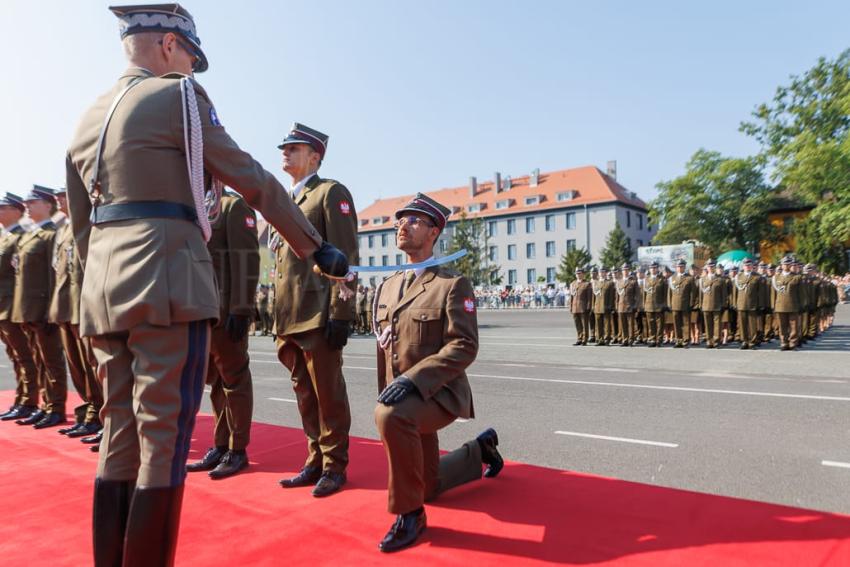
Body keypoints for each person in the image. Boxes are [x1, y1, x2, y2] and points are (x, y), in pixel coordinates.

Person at [65, 6, 347, 565]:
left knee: (119, 430)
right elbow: (249, 176)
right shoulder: (179, 97)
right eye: (192, 56)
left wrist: (103, 280)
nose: (193, 67)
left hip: (103, 289)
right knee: (163, 438)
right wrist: (314, 246)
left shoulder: (86, 116)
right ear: (171, 44)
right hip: (166, 280)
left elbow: (80, 227)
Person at [372, 193, 503, 553]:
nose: (402, 225)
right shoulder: (387, 285)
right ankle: (481, 450)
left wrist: (411, 381)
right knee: (428, 485)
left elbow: (464, 346)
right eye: (400, 220)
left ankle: (410, 515)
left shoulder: (451, 284)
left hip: (437, 393)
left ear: (433, 233)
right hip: (403, 395)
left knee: (391, 417)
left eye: (413, 220)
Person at [273, 123, 359, 497]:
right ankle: (315, 459)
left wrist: (341, 314)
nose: (285, 152)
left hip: (318, 312)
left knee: (328, 394)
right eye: (285, 147)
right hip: (290, 315)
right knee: (305, 394)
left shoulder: (328, 193)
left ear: (315, 156)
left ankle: (335, 465)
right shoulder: (282, 202)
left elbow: (345, 258)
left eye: (294, 147)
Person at [186, 191, 259, 479]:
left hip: (226, 309)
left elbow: (247, 258)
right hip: (201, 310)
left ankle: (237, 449)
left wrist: (242, 308)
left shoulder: (233, 206)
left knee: (234, 380)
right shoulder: (197, 205)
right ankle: (221, 444)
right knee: (216, 382)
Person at [49, 189, 103, 438]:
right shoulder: (62, 229)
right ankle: (89, 410)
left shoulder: (93, 223)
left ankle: (99, 415)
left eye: (64, 195)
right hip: (66, 306)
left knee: (93, 364)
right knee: (76, 366)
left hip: (86, 305)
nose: (59, 199)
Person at [13, 186, 68, 429]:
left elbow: (51, 275)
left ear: (48, 205)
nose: (28, 205)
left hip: (43, 309)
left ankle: (55, 407)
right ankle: (47, 405)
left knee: (52, 361)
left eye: (33, 201)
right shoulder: (31, 234)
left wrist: (49, 310)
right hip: (28, 309)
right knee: (38, 360)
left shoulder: (51, 234)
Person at [0, 193, 40, 422]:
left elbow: (20, 275)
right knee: (15, 356)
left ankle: (30, 401)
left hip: (13, 304)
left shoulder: (19, 237)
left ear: (17, 211)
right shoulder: (5, 237)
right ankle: (22, 398)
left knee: (25, 356)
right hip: (3, 305)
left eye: (4, 208)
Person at [772, 256, 802, 350]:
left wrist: (801, 304)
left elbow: (800, 292)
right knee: (782, 325)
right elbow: (773, 293)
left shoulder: (796, 277)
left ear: (790, 265)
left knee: (794, 326)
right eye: (784, 264)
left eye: (788, 264)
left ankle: (792, 343)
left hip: (793, 304)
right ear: (781, 265)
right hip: (780, 305)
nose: (786, 265)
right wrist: (773, 305)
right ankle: (784, 343)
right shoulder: (776, 277)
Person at [734, 258, 763, 349]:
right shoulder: (738, 276)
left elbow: (760, 292)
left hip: (752, 304)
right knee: (742, 324)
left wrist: (760, 304)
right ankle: (744, 341)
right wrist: (735, 303)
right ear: (743, 266)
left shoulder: (757, 277)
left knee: (752, 325)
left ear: (752, 266)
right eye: (746, 265)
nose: (747, 267)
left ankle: (752, 342)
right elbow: (735, 292)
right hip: (741, 303)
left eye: (749, 265)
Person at [699, 259, 727, 348]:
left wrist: (723, 304)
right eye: (709, 266)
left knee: (717, 325)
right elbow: (701, 294)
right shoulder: (702, 280)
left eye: (712, 266)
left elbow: (724, 293)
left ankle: (716, 341)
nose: (710, 268)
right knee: (707, 324)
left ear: (715, 267)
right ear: (706, 268)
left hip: (717, 305)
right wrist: (700, 304)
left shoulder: (720, 279)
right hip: (706, 305)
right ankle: (709, 341)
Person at [668, 259, 694, 348]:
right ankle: (678, 341)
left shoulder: (689, 278)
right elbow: (669, 293)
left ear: (684, 267)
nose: (680, 268)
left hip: (685, 304)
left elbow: (693, 293)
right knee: (677, 323)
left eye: (681, 266)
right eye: (678, 267)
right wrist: (669, 303)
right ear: (676, 267)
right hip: (675, 304)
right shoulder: (672, 278)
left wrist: (691, 303)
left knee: (686, 323)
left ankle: (686, 341)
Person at [642, 261, 667, 347]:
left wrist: (664, 304)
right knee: (651, 323)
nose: (653, 269)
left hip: (659, 305)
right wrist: (644, 304)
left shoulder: (662, 279)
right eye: (651, 268)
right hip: (649, 304)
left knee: (660, 324)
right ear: (649, 269)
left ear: (657, 269)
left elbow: (665, 293)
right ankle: (652, 339)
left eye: (655, 268)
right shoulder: (646, 279)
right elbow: (644, 293)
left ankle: (659, 340)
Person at [615, 263, 639, 346]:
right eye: (624, 270)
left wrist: (635, 306)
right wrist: (616, 306)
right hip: (621, 306)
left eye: (627, 270)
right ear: (622, 271)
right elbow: (617, 296)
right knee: (623, 324)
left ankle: (631, 339)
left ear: (629, 271)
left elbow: (637, 295)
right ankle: (625, 339)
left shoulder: (633, 281)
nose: (625, 271)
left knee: (630, 324)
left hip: (630, 306)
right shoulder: (619, 282)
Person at [591, 266, 615, 345]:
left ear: (606, 273)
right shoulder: (596, 283)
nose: (602, 274)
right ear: (598, 273)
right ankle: (600, 339)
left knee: (607, 324)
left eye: (603, 272)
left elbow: (612, 296)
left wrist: (611, 306)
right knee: (598, 324)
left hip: (606, 306)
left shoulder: (610, 283)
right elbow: (593, 296)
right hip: (597, 306)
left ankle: (607, 339)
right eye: (600, 272)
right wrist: (593, 306)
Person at [569, 266, 592, 345]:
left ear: (583, 274)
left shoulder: (587, 284)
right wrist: (571, 306)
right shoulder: (573, 284)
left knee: (584, 324)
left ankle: (584, 339)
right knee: (577, 324)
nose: (578, 275)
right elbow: (571, 296)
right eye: (577, 273)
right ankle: (579, 338)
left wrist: (589, 307)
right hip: (575, 307)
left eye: (580, 273)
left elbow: (589, 297)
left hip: (583, 307)